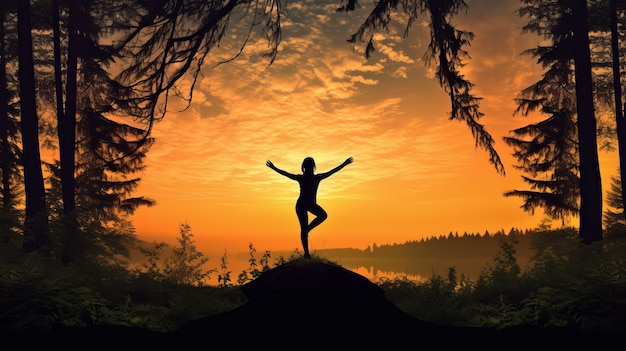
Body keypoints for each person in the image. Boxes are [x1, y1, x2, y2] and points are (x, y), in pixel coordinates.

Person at [266, 156, 354, 258]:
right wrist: (274, 168)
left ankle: (307, 230)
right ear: (306, 167)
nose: (309, 169)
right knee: (305, 228)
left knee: (321, 217)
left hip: (311, 204)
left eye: (310, 166)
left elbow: (331, 172)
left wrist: (344, 164)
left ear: (312, 167)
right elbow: (287, 174)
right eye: (308, 167)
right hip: (301, 205)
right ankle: (306, 253)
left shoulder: (315, 178)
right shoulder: (304, 178)